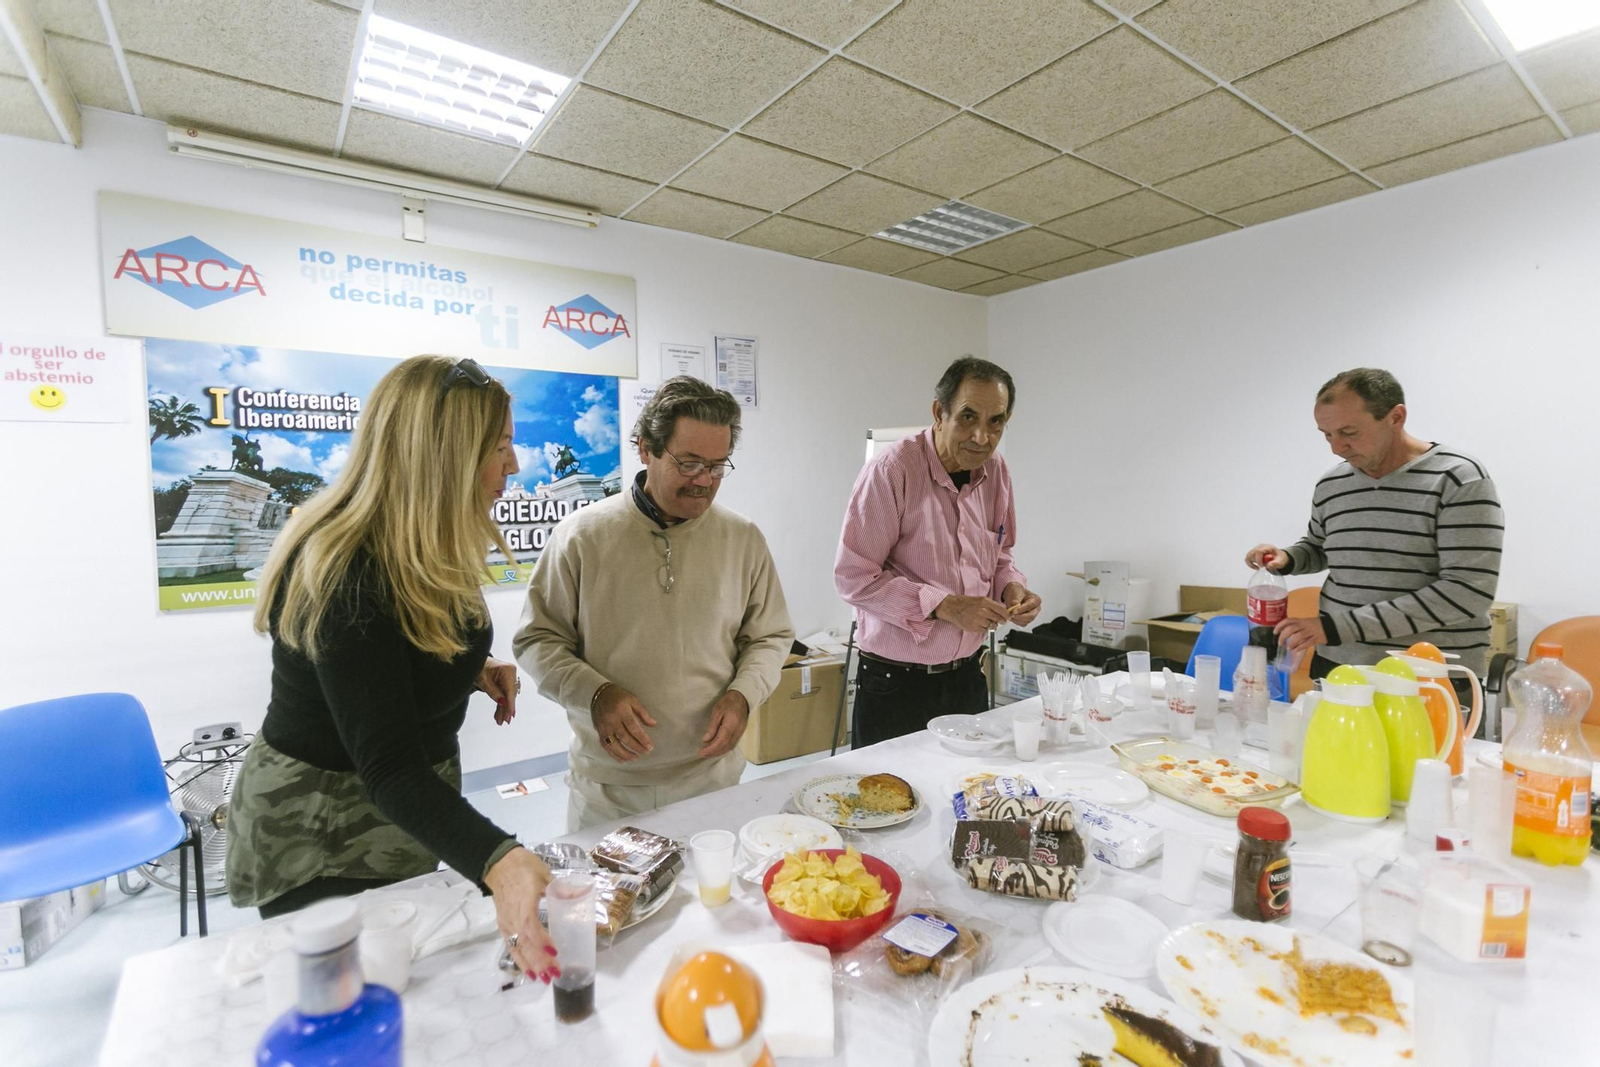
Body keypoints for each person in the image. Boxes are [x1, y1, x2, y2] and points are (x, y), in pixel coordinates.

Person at [226, 355, 561, 986]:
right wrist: (502, 860)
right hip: (323, 830)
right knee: (353, 995)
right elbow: (388, 764)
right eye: (499, 447)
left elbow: (398, 651)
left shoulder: (426, 535)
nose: (512, 466)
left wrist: (469, 667)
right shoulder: (343, 569)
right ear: (442, 458)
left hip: (401, 809)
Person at [514, 376, 793, 831]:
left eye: (718, 466)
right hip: (610, 790)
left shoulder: (742, 538)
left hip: (714, 780)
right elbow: (538, 640)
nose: (704, 481)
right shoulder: (582, 537)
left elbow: (770, 636)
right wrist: (595, 693)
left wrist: (745, 695)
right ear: (645, 448)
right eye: (688, 463)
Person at [834, 356, 1042, 748]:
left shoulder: (996, 471)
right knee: (889, 802)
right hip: (896, 685)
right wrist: (946, 606)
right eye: (967, 417)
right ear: (938, 412)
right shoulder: (891, 471)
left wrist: (1012, 588)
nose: (981, 437)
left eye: (995, 421)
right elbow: (853, 578)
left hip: (966, 678)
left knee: (968, 798)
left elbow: (1000, 555)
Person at [1246, 367, 1504, 679]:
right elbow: (1320, 546)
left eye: (1349, 433)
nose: (1336, 447)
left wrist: (1335, 627)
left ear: (1396, 417)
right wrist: (1287, 559)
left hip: (1426, 673)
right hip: (1339, 663)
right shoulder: (1333, 483)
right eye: (1327, 435)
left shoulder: (1457, 478)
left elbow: (1465, 592)